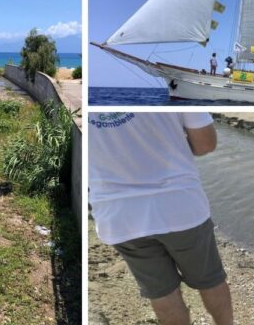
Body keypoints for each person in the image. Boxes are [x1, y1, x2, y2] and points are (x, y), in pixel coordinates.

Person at [89, 112, 232, 325]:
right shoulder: (161, 87)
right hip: (179, 207)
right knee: (210, 280)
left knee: (162, 292)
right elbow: (205, 144)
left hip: (120, 216)